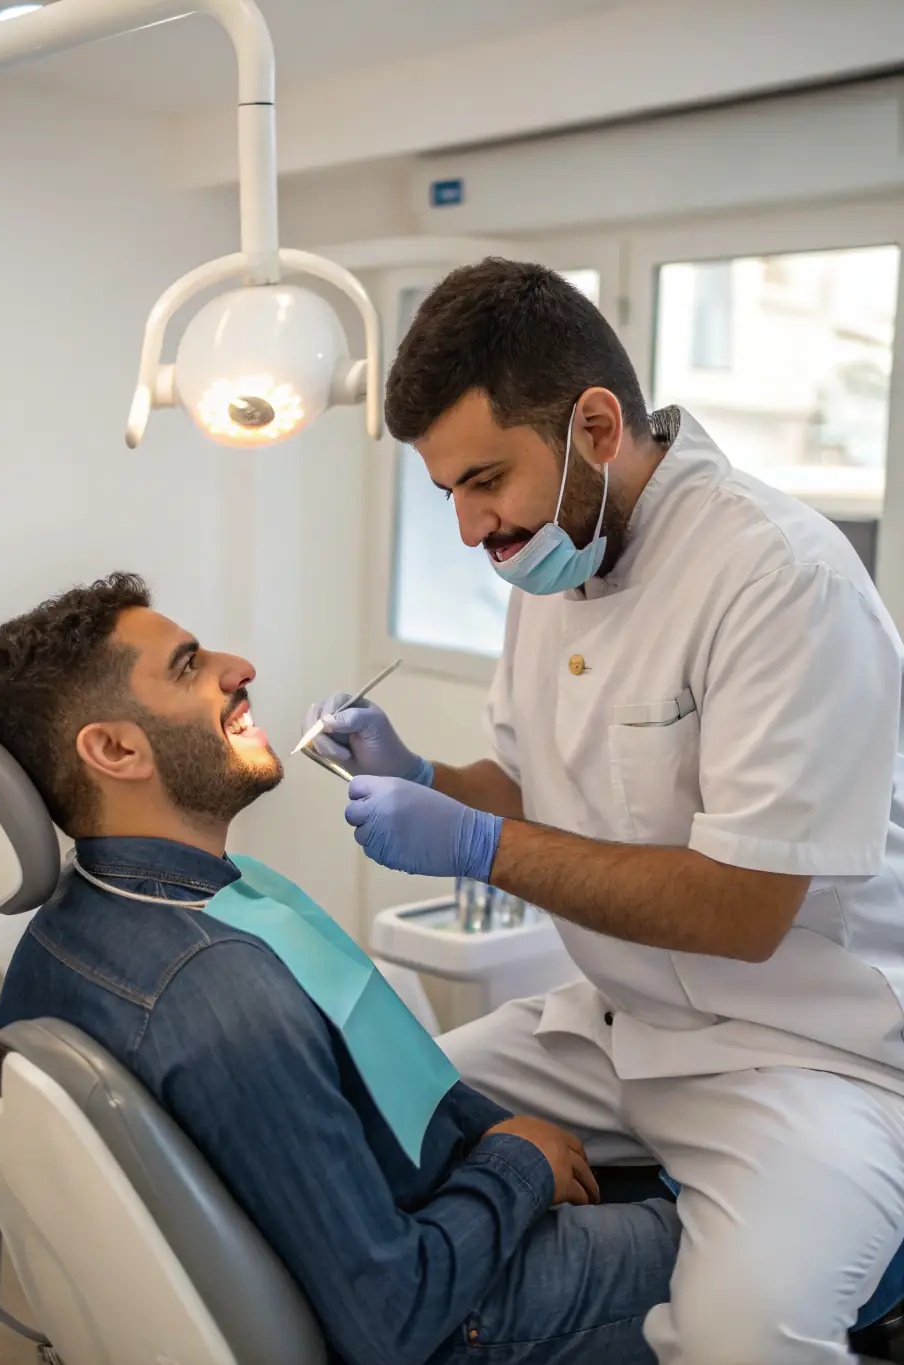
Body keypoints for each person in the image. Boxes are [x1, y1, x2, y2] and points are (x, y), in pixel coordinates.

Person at [304, 258, 904, 1365]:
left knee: (741, 1337)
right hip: (615, 1022)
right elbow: (537, 790)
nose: (471, 527)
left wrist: (475, 845)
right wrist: (428, 778)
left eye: (486, 478)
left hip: (804, 1051)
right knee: (359, 1121)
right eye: (447, 493)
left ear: (593, 424)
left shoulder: (777, 580)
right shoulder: (552, 562)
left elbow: (742, 910)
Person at [0, 572, 680, 1365]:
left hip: (416, 1227)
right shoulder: (219, 992)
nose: (240, 667)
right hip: (456, 1314)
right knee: (805, 1248)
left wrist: (491, 1135)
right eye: (189, 663)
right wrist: (518, 1165)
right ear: (115, 748)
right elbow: (392, 1317)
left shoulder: (58, 945)